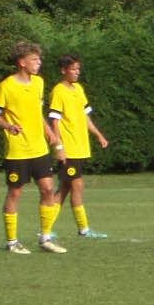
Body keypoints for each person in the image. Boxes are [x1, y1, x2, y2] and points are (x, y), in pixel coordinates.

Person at [0, 41, 66, 255]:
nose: (39, 63)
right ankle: (12, 242)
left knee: (48, 189)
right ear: (22, 62)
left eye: (39, 59)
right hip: (17, 150)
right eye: (34, 59)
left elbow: (37, 113)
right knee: (15, 193)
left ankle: (45, 238)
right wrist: (8, 126)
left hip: (39, 148)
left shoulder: (39, 83)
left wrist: (51, 135)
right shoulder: (6, 86)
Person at [48, 55, 111, 239]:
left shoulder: (79, 89)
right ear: (63, 70)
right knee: (77, 185)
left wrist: (98, 135)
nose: (77, 72)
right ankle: (83, 229)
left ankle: (47, 227)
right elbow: (55, 121)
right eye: (73, 69)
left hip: (79, 147)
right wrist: (59, 147)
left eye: (78, 69)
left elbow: (85, 117)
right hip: (69, 149)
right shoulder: (58, 91)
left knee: (65, 188)